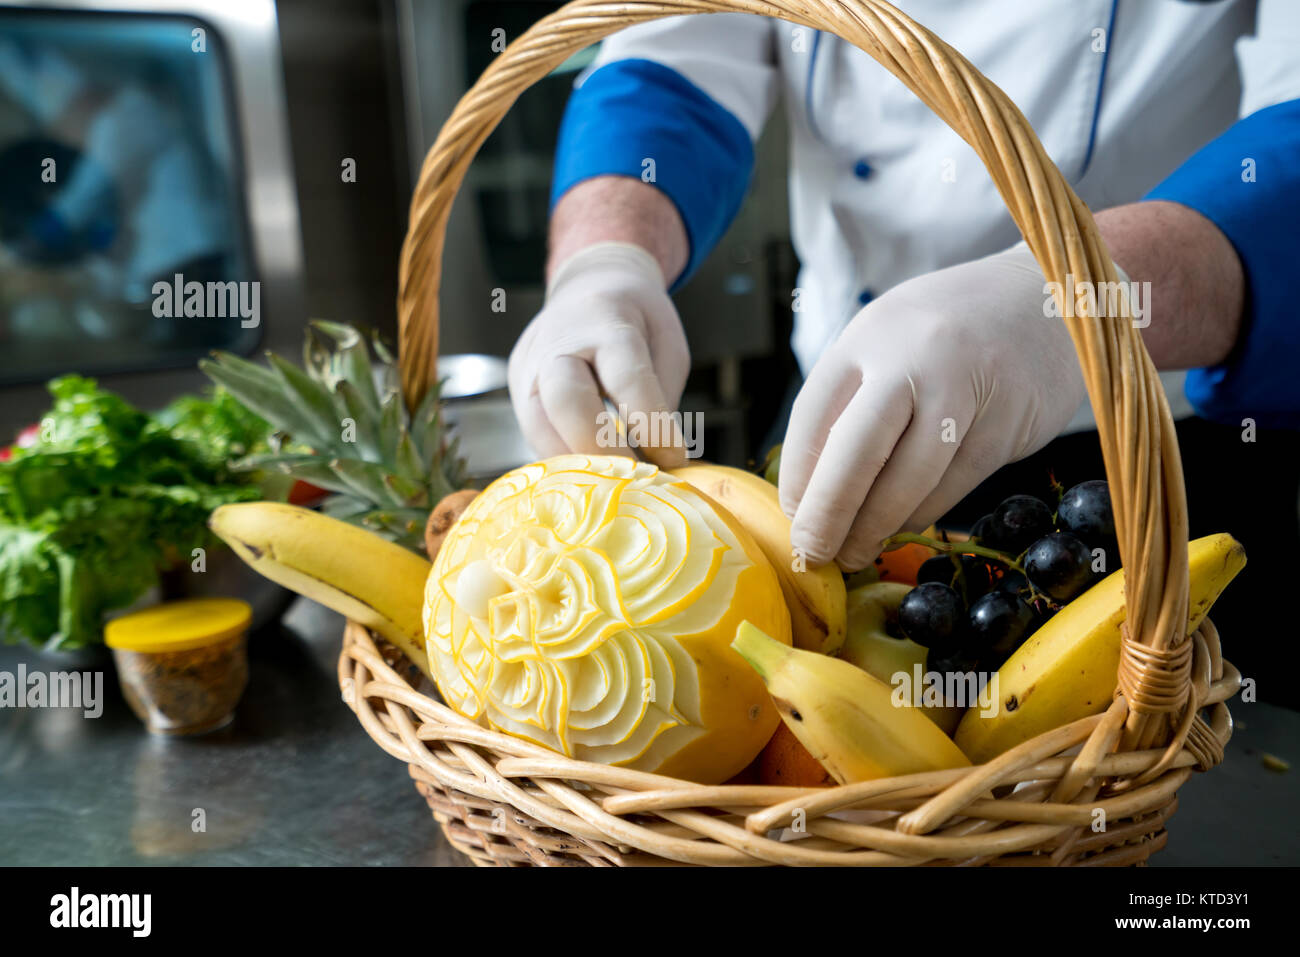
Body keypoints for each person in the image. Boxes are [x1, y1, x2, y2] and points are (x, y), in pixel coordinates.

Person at [507, 0, 1300, 572]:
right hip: (837, 412)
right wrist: (605, 258)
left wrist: (1065, 298)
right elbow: (675, 58)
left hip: (1150, 449)